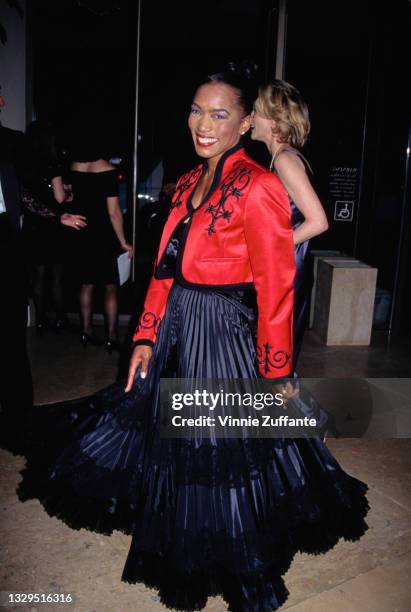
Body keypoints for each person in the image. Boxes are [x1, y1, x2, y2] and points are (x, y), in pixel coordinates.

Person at [16, 74, 369, 612]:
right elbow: (163, 273)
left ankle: (227, 549)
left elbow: (276, 287)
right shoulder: (184, 184)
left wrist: (275, 370)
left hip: (220, 327)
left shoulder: (260, 185)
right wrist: (144, 337)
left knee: (217, 445)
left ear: (246, 122)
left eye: (220, 114)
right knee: (163, 430)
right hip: (177, 320)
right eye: (196, 111)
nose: (204, 125)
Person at [250, 79, 329, 368]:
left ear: (273, 121)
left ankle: (281, 408)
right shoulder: (283, 158)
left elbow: (318, 221)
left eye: (256, 110)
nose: (251, 117)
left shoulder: (284, 160)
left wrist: (272, 246)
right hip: (287, 268)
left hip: (287, 272)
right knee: (275, 353)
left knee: (277, 354)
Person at [57, 125, 133, 351]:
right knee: (110, 287)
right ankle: (111, 335)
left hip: (81, 231)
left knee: (86, 285)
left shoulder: (73, 166)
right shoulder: (108, 169)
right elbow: (114, 212)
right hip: (103, 232)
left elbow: (68, 195)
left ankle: (86, 331)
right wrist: (122, 241)